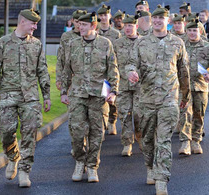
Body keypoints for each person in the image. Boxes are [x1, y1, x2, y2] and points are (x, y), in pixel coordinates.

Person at [127, 5, 191, 195]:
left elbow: (184, 72)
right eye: (154, 19)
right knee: (147, 140)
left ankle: (162, 180)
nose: (157, 22)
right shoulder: (141, 43)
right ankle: (150, 167)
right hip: (146, 100)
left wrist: (185, 96)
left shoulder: (178, 43)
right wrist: (131, 72)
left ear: (167, 21)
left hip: (169, 100)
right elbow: (131, 62)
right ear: (151, 21)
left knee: (163, 140)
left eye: (161, 19)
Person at [0, 9, 51, 187]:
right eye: (33, 23)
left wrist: (46, 96)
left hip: (30, 96)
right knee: (6, 131)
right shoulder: (4, 42)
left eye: (36, 24)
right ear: (22, 22)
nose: (35, 27)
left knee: (30, 132)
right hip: (8, 94)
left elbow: (42, 71)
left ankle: (24, 171)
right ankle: (13, 156)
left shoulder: (36, 44)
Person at [60, 12, 119, 182]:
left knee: (96, 133)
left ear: (93, 26)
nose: (80, 27)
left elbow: (112, 69)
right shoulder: (72, 44)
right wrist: (64, 92)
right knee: (77, 132)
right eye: (79, 25)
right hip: (77, 94)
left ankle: (92, 166)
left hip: (98, 96)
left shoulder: (105, 44)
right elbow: (66, 70)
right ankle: (80, 161)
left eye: (84, 25)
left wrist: (112, 92)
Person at [178, 19, 209, 155]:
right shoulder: (181, 46)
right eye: (189, 30)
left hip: (201, 86)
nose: (192, 33)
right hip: (183, 86)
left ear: (200, 31)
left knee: (199, 114)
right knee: (184, 113)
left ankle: (196, 141)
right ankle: (185, 142)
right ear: (186, 31)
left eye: (195, 30)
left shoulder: (208, 47)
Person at [56, 10, 87, 156]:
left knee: (89, 118)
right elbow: (61, 59)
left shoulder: (91, 35)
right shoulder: (66, 37)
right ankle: (77, 142)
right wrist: (60, 80)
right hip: (71, 81)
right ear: (73, 21)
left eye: (82, 22)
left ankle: (84, 140)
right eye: (76, 21)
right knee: (74, 116)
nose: (79, 24)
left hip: (88, 82)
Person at [114, 14, 142, 156]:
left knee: (138, 114)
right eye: (126, 26)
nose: (128, 28)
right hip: (122, 85)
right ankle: (127, 143)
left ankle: (139, 136)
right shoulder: (117, 43)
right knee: (124, 114)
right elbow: (112, 65)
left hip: (140, 86)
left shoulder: (144, 43)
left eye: (131, 26)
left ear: (136, 26)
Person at [97, 4, 121, 135]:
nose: (103, 18)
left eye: (105, 15)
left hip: (112, 69)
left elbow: (119, 52)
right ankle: (102, 126)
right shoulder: (95, 33)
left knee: (113, 98)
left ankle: (112, 121)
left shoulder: (116, 34)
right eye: (101, 16)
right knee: (101, 99)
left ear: (109, 16)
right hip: (100, 71)